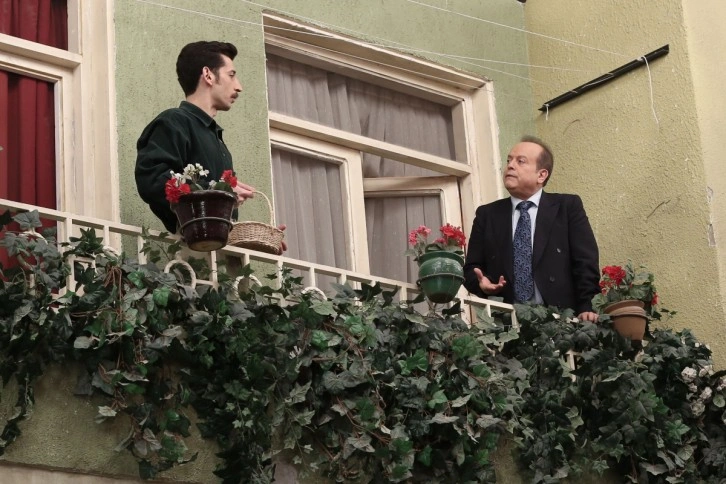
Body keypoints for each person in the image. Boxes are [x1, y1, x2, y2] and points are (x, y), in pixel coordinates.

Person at [463, 136, 600, 321]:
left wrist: (586, 306)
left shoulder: (567, 207)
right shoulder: (487, 215)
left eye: (520, 161)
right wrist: (482, 285)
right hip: (508, 324)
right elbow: (472, 268)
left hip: (561, 322)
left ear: (541, 175)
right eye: (509, 160)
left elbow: (585, 261)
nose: (510, 166)